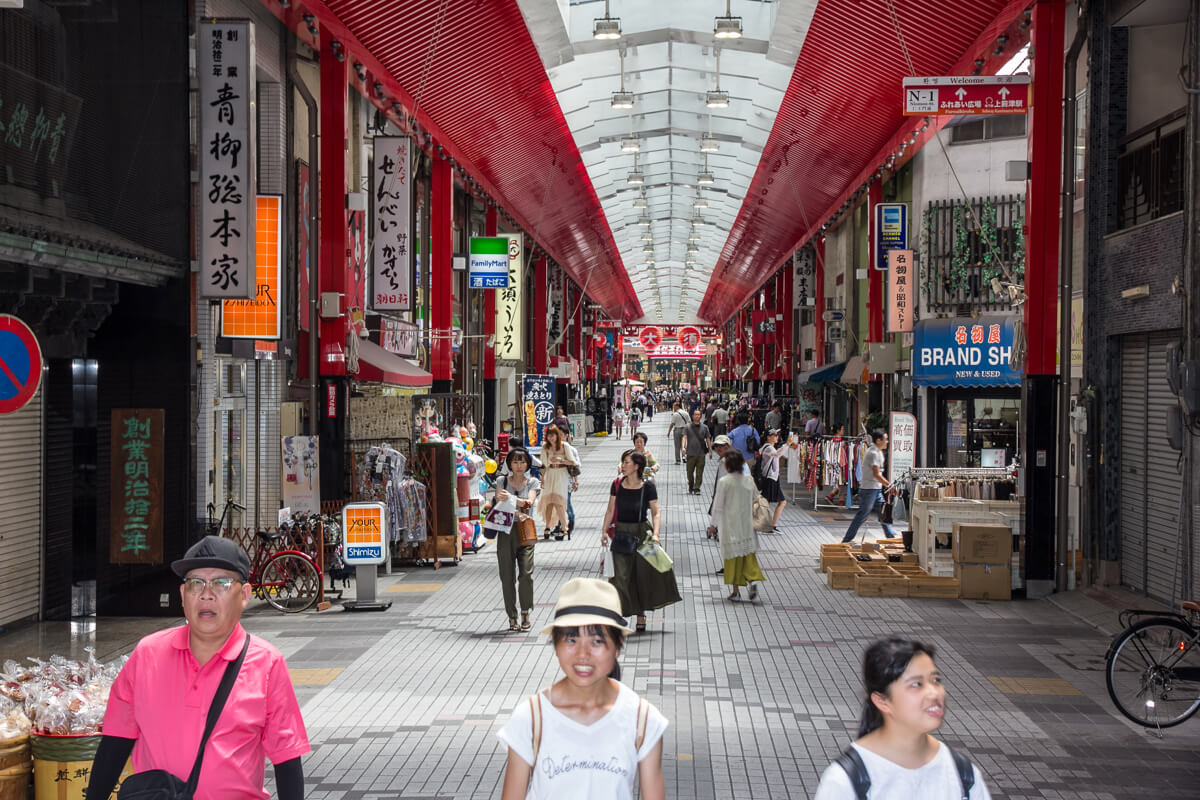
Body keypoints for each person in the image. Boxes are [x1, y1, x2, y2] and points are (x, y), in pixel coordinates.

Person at [87, 536, 309, 800]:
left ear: (245, 595)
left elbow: (286, 760)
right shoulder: (147, 654)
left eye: (222, 583)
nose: (206, 594)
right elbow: (115, 742)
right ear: (183, 596)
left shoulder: (267, 663)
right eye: (195, 583)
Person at [497, 578, 667, 800]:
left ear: (617, 647)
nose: (582, 653)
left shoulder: (643, 720)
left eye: (597, 641)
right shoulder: (531, 717)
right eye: (571, 640)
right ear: (556, 647)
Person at [814, 638, 991, 800]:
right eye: (916, 684)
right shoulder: (847, 781)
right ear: (882, 701)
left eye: (936, 680)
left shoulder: (962, 774)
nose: (934, 693)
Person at [601, 450, 680, 632]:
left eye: (627, 462)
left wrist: (656, 534)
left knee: (641, 576)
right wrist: (604, 530)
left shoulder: (648, 486)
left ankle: (640, 614)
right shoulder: (617, 484)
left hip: (642, 533)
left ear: (637, 466)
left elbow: (656, 512)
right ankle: (619, 613)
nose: (623, 465)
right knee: (620, 576)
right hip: (621, 532)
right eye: (623, 461)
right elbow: (610, 509)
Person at [493, 447, 541, 631]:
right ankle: (512, 616)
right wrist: (517, 505)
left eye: (522, 462)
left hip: (525, 530)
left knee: (526, 574)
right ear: (509, 464)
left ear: (528, 464)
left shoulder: (533, 482)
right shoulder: (501, 480)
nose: (519, 466)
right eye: (515, 462)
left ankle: (525, 611)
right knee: (507, 576)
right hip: (505, 531)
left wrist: (511, 499)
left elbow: (529, 503)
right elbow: (499, 503)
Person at [708, 450, 765, 602]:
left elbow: (718, 506)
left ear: (728, 465)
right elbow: (756, 498)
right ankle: (752, 580)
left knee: (732, 558)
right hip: (746, 524)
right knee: (748, 556)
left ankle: (736, 592)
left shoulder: (725, 482)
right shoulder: (748, 480)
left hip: (730, 526)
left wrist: (713, 525)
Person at [842, 431, 895, 544]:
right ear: (878, 441)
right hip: (869, 490)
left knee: (883, 514)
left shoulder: (878, 452)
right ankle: (846, 540)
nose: (887, 441)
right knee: (862, 516)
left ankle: (891, 537)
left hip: (875, 489)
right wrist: (889, 485)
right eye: (885, 439)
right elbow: (876, 474)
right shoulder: (873, 453)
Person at [538, 425, 576, 541]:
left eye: (553, 435)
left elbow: (573, 462)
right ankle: (547, 526)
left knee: (558, 501)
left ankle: (564, 528)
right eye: (549, 436)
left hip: (561, 474)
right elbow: (543, 464)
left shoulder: (565, 446)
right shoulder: (545, 447)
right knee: (549, 501)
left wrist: (561, 460)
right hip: (550, 474)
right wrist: (542, 478)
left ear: (557, 435)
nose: (551, 438)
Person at [758, 429, 788, 531]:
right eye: (774, 435)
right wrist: (787, 444)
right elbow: (777, 454)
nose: (776, 437)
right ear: (768, 437)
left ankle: (771, 525)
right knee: (778, 502)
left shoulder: (769, 448)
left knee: (769, 502)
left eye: (777, 435)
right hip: (770, 478)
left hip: (773, 478)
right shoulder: (768, 448)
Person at [681, 409, 712, 495]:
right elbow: (684, 437)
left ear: (701, 416)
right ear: (692, 416)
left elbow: (708, 439)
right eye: (695, 415)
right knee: (689, 472)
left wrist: (710, 450)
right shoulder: (687, 426)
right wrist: (683, 447)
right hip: (690, 453)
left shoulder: (705, 427)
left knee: (699, 472)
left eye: (699, 415)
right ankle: (691, 484)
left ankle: (697, 487)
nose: (697, 416)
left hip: (701, 453)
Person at [557, 422, 580, 536]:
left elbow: (576, 467)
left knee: (566, 503)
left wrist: (576, 482)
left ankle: (571, 522)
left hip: (567, 481)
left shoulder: (571, 450)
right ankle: (558, 525)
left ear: (566, 435)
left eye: (561, 434)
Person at [825, 423, 848, 504]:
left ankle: (833, 496)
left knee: (840, 481)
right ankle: (839, 499)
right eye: (842, 429)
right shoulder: (839, 442)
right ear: (838, 431)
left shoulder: (832, 441)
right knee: (842, 481)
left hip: (835, 463)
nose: (843, 431)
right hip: (839, 464)